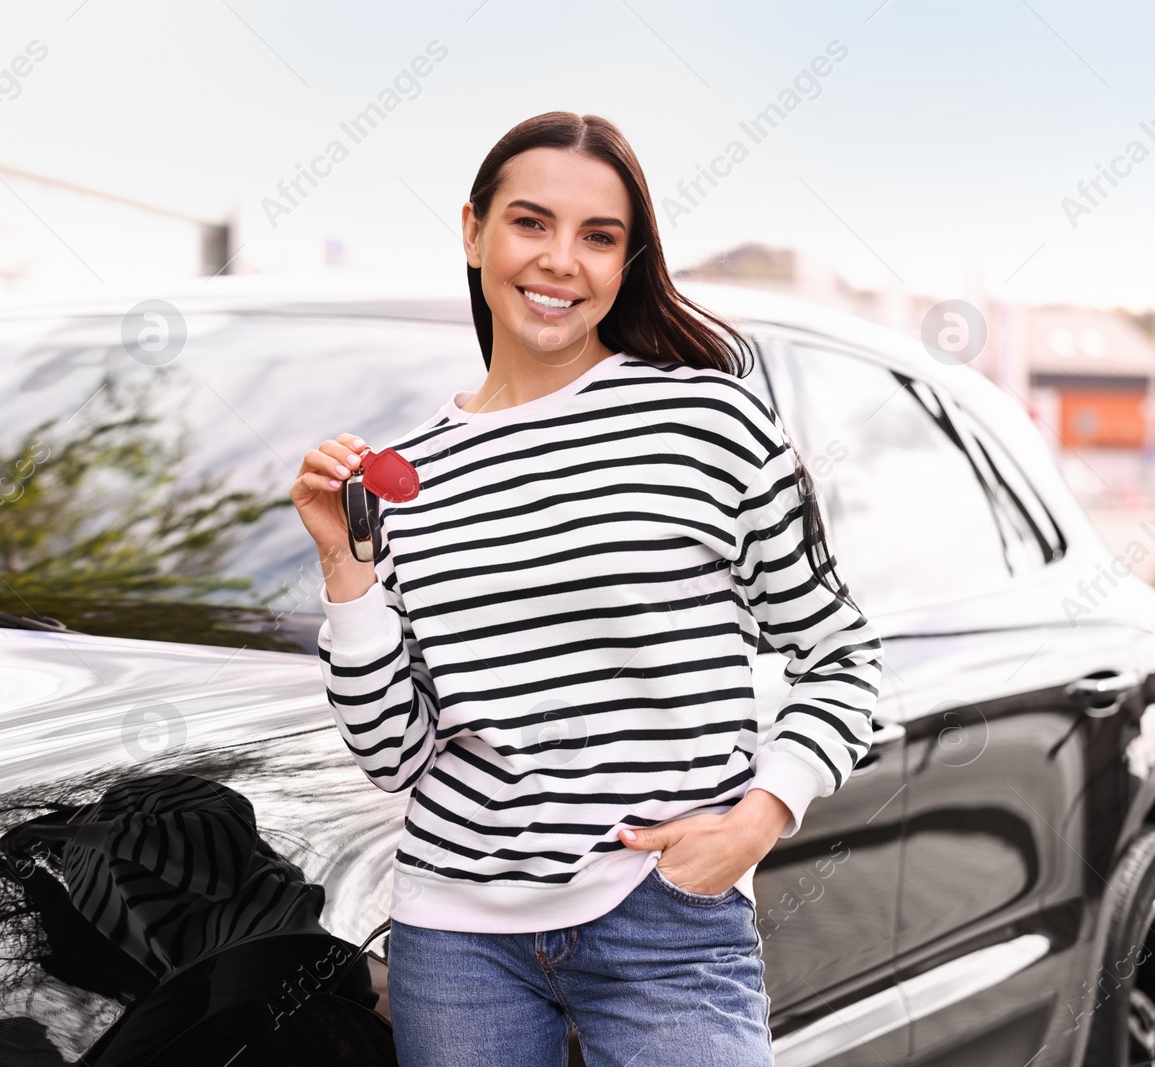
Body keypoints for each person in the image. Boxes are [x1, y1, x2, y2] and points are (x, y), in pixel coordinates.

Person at [288, 111, 884, 1067]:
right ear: (476, 230)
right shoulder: (411, 477)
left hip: (665, 920)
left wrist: (758, 819)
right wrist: (345, 570)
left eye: (598, 236)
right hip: (455, 936)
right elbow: (394, 754)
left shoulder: (709, 420)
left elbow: (843, 657)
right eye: (531, 223)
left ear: (625, 262)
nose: (560, 260)